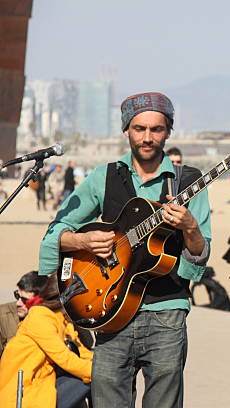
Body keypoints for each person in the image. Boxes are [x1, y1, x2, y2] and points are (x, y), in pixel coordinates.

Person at [38, 91, 212, 408]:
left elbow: (199, 255)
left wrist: (190, 227)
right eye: (139, 129)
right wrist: (82, 241)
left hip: (167, 315)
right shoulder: (104, 177)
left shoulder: (188, 181)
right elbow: (56, 232)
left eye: (156, 129)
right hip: (109, 313)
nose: (147, 137)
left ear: (168, 131)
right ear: (126, 130)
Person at [0, 275, 93, 408]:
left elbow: (82, 352)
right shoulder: (39, 317)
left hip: (44, 384)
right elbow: (65, 359)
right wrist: (102, 371)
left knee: (106, 369)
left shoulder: (61, 318)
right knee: (98, 376)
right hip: (25, 394)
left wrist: (109, 365)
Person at [0, 271, 47, 356]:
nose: (18, 303)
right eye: (17, 296)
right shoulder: (4, 316)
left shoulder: (55, 319)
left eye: (24, 300)